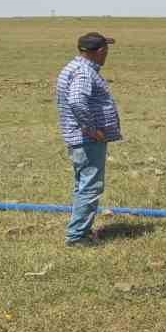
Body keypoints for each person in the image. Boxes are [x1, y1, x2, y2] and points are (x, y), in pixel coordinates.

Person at [55, 32, 121, 245]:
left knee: (83, 184)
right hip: (86, 139)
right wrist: (91, 129)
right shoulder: (84, 73)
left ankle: (81, 229)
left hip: (78, 137)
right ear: (100, 51)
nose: (107, 54)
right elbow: (76, 101)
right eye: (106, 49)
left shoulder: (73, 67)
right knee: (90, 186)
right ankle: (77, 236)